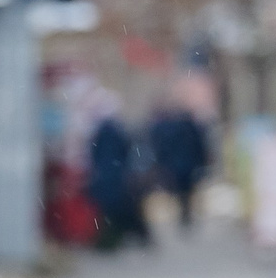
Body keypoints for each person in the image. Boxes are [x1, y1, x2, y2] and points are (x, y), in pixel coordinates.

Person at [86, 98, 151, 249]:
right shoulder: (117, 130)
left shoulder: (99, 132)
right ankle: (122, 237)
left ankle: (111, 239)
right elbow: (127, 151)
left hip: (106, 176)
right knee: (123, 209)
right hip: (117, 176)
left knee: (110, 210)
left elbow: (95, 153)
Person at [148, 103, 212, 229]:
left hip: (178, 165)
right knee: (187, 191)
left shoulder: (174, 130)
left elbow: (165, 148)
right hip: (189, 164)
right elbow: (199, 147)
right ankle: (186, 213)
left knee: (181, 191)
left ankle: (184, 213)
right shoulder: (192, 129)